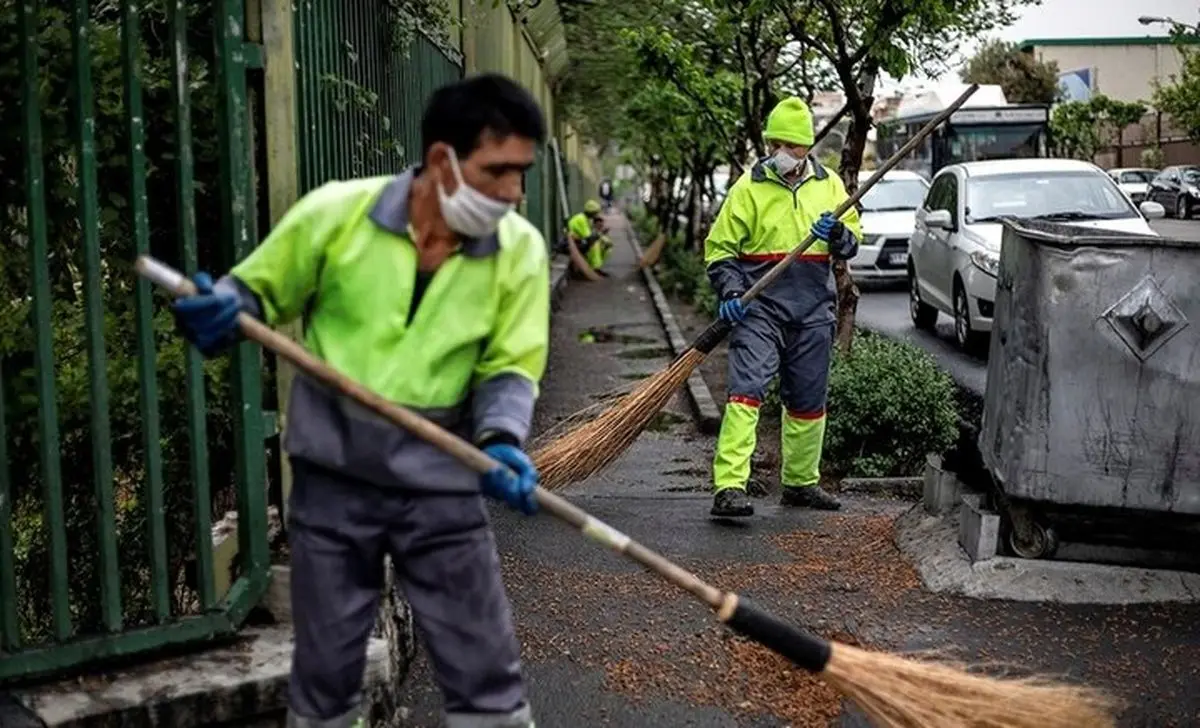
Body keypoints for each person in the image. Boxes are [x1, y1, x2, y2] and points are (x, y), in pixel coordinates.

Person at [170, 73, 549, 728]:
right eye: (499, 171)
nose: (514, 193)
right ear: (441, 161)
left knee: (485, 673)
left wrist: (502, 440)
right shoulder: (336, 214)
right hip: (333, 478)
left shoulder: (520, 250)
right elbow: (257, 291)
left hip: (440, 480)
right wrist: (224, 307)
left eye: (523, 174)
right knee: (325, 676)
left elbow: (509, 367)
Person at [703, 96, 862, 519]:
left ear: (809, 147)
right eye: (783, 145)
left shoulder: (829, 185)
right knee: (746, 392)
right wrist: (732, 291)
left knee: (809, 398)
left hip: (813, 308)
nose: (790, 154)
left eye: (798, 147)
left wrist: (836, 236)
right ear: (770, 143)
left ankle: (800, 482)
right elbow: (719, 250)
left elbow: (852, 240)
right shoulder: (747, 188)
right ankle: (730, 486)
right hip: (761, 308)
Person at [567, 199, 612, 274]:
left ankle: (595, 266)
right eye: (595, 213)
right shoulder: (581, 219)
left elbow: (591, 235)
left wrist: (604, 238)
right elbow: (589, 238)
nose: (597, 215)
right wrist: (601, 232)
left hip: (581, 241)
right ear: (591, 213)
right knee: (595, 244)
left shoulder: (587, 219)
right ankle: (595, 268)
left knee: (607, 244)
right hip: (575, 243)